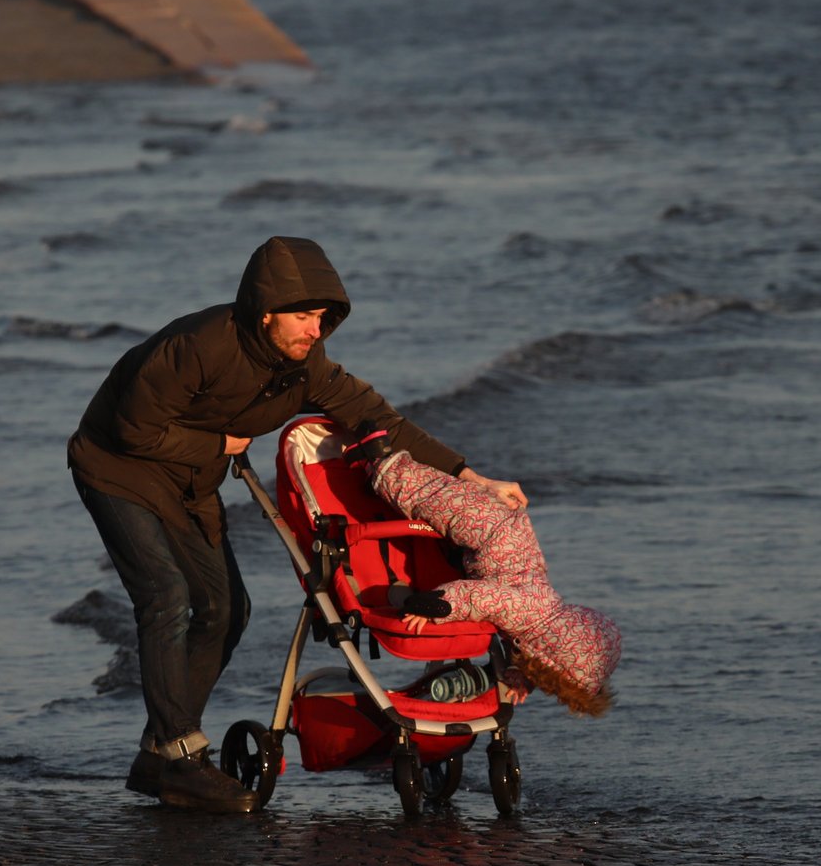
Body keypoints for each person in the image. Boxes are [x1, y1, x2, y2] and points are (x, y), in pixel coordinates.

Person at [69, 236, 526, 814]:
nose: (316, 330)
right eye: (304, 316)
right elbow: (130, 430)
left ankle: (161, 752)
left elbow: (380, 419)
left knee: (226, 609)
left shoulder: (304, 367)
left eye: (322, 318)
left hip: (190, 480)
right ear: (266, 312)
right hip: (117, 469)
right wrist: (219, 442)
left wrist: (473, 478)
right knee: (166, 596)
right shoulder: (196, 346)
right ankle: (179, 755)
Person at [345, 427, 622, 717]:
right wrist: (438, 607)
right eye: (548, 682)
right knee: (427, 495)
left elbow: (524, 644)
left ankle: (381, 472)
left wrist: (521, 678)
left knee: (436, 497)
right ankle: (378, 458)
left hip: (503, 531)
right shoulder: (524, 612)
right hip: (486, 523)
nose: (547, 687)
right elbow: (476, 596)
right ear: (549, 656)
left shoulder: (542, 618)